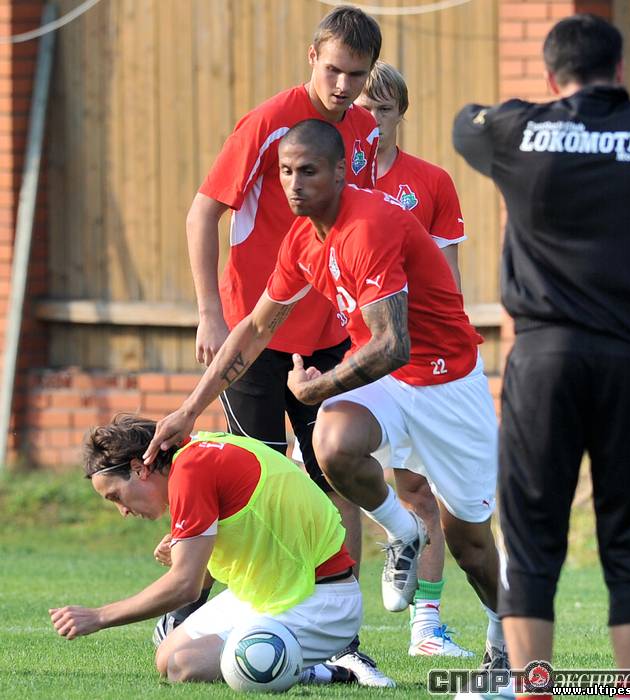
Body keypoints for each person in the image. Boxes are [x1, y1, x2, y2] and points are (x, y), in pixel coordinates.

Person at [143, 118, 507, 670]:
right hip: (391, 383)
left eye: (308, 171)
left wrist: (315, 388)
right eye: (286, 171)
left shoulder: (369, 227)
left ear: (340, 171)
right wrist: (189, 410)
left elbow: (392, 344)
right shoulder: (302, 238)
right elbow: (256, 327)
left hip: (447, 386)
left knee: (471, 547)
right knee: (331, 445)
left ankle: (505, 639)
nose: (294, 184)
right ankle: (403, 532)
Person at [172, 6, 391, 685]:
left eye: (357, 75)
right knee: (254, 486)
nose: (344, 86)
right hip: (256, 333)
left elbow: (357, 230)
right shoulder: (269, 122)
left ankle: (343, 639)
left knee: (336, 478)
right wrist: (210, 314)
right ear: (312, 56)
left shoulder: (363, 131)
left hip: (329, 338)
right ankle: (202, 611)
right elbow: (203, 212)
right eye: (335, 70)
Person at [453, 13, 630, 699]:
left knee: (534, 546)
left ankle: (534, 690)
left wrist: (540, 116)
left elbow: (464, 122)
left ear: (550, 76)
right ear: (620, 70)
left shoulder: (519, 131)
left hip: (544, 361)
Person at [49, 415, 367, 688]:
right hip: (270, 593)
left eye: (116, 496)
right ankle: (310, 669)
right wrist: (189, 553)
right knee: (166, 657)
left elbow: (184, 586)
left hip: (319, 601)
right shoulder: (196, 453)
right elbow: (210, 567)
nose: (123, 511)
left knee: (185, 666)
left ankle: (302, 670)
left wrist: (99, 617)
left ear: (139, 468)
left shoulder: (191, 471)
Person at [355, 60, 471, 658]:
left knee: (420, 492)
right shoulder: (330, 179)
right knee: (330, 489)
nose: (373, 118)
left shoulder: (431, 182)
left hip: (414, 361)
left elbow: (447, 280)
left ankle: (427, 627)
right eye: (364, 107)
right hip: (346, 357)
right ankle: (336, 631)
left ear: (401, 113)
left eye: (384, 108)